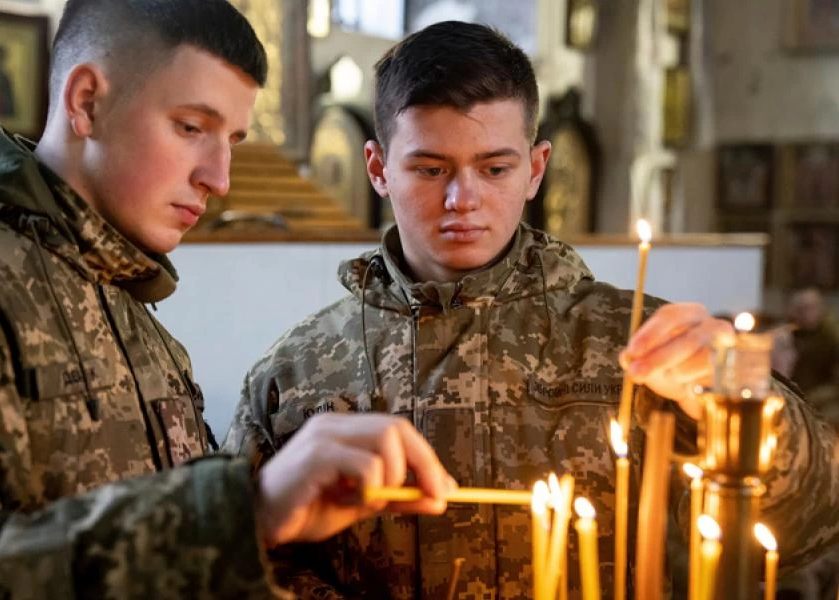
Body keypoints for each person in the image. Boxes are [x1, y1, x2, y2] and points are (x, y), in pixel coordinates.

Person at [0, 1, 456, 597]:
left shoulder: (133, 314)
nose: (219, 178)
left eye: (233, 141)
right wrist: (242, 510)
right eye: (192, 127)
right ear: (87, 101)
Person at [224, 21, 839, 599]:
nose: (463, 199)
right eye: (431, 169)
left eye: (494, 167)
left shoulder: (640, 346)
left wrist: (749, 409)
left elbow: (813, 523)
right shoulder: (296, 375)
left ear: (536, 168)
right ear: (379, 168)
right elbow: (226, 566)